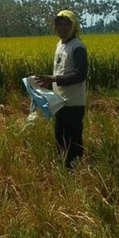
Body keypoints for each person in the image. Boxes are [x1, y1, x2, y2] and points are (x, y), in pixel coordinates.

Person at [35, 10, 88, 170]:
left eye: (66, 24)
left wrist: (54, 79)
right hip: (59, 102)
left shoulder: (77, 47)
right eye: (59, 24)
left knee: (73, 139)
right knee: (60, 137)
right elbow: (60, 71)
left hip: (73, 103)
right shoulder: (60, 44)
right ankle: (64, 169)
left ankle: (75, 171)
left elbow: (80, 74)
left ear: (73, 26)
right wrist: (48, 84)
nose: (62, 28)